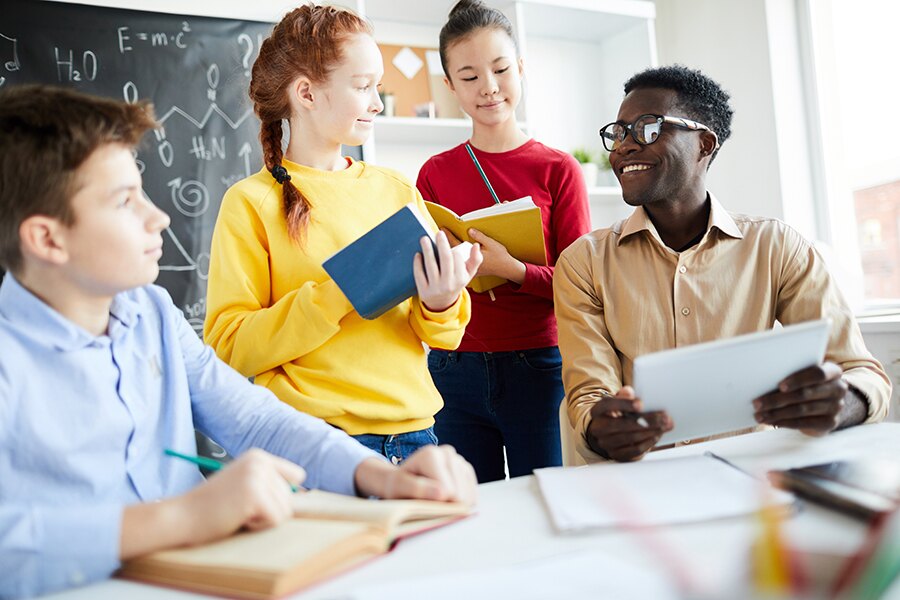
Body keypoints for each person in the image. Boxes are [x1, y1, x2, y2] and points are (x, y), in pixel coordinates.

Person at [0, 84, 477, 599]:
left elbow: (252, 418)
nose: (156, 216)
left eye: (141, 190)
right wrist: (183, 517)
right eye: (123, 201)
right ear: (47, 238)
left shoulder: (152, 312)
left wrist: (377, 476)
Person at [554, 65, 892, 464]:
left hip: (755, 473)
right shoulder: (583, 263)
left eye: (647, 128)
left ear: (704, 144)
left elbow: (862, 372)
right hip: (641, 478)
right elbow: (589, 396)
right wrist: (601, 427)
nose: (623, 147)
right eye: (618, 132)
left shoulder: (778, 247)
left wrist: (844, 402)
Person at [203, 5, 482, 462]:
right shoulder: (250, 202)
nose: (376, 101)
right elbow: (230, 347)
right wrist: (342, 291)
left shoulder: (394, 188)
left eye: (377, 86)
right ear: (307, 93)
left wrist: (443, 298)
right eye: (362, 86)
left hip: (417, 437)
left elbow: (443, 336)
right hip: (311, 445)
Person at [415, 0, 592, 482]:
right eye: (469, 77)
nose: (488, 88)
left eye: (500, 69)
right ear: (450, 86)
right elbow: (429, 281)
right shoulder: (434, 173)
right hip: (454, 368)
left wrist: (511, 268)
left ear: (520, 69)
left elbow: (582, 287)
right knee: (473, 507)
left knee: (549, 496)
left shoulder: (558, 169)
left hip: (538, 366)